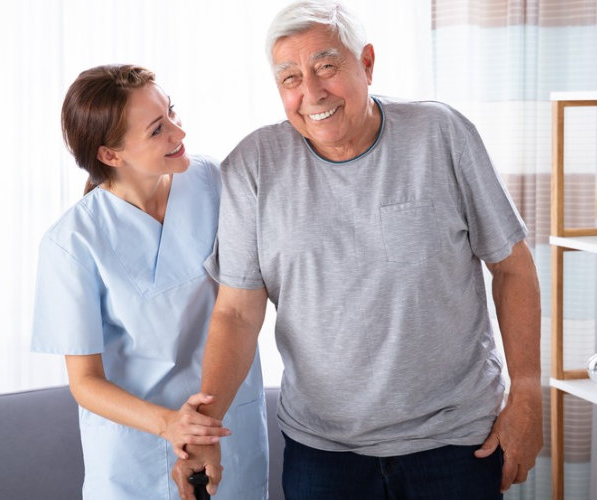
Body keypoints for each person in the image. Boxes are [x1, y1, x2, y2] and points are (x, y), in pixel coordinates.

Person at [175, 1, 543, 499]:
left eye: (326, 66)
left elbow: (513, 266)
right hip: (323, 455)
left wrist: (526, 393)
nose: (311, 92)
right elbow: (238, 314)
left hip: (455, 443)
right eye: (290, 79)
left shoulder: (440, 134)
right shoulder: (253, 167)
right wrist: (207, 425)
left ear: (366, 63)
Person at [32, 64, 269, 499]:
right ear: (110, 155)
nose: (179, 133)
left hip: (227, 436)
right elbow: (85, 382)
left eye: (172, 113)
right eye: (158, 129)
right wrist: (169, 424)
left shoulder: (214, 183)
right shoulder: (73, 242)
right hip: (136, 456)